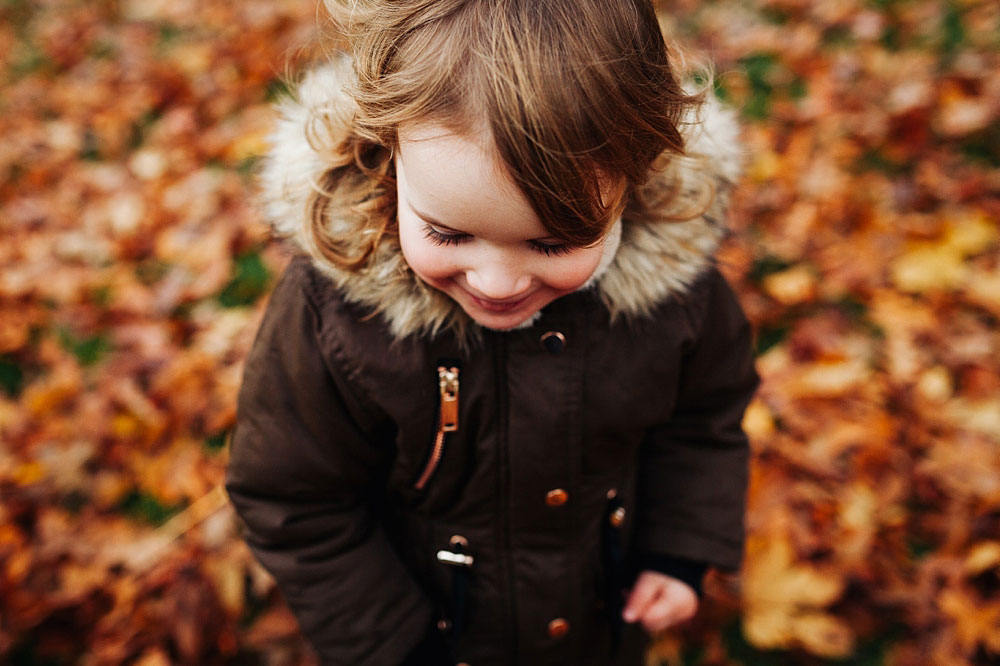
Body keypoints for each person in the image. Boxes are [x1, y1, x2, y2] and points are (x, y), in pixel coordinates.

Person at [225, 1, 759, 664]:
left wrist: (678, 548)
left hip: (598, 622)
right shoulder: (335, 318)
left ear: (635, 177)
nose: (497, 283)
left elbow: (703, 419)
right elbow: (294, 499)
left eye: (554, 242)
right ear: (386, 152)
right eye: (448, 233)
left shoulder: (676, 297)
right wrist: (395, 645)